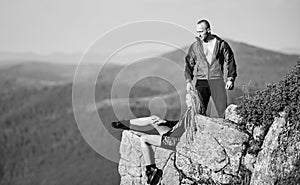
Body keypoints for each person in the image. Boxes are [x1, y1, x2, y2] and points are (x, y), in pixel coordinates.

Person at [111, 90, 204, 185]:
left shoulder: (193, 115)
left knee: (144, 139)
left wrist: (168, 125)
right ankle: (126, 123)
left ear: (192, 100)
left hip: (173, 140)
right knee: (153, 119)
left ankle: (151, 169)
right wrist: (165, 122)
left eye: (187, 99)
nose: (185, 101)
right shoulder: (191, 112)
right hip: (172, 133)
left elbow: (185, 130)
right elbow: (179, 124)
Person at [185, 19, 237, 118]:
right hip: (201, 81)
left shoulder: (221, 44)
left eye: (201, 32)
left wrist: (230, 79)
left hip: (217, 80)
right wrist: (188, 81)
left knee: (222, 113)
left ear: (208, 30)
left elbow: (230, 61)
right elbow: (189, 64)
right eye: (197, 32)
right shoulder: (195, 46)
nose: (199, 35)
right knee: (199, 113)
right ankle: (200, 133)